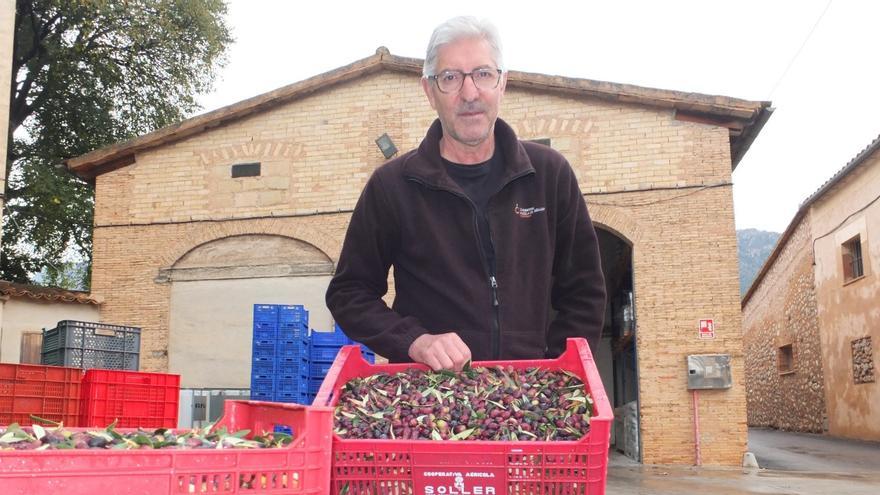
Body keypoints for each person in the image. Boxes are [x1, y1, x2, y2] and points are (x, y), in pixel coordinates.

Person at [326, 16, 606, 371]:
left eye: (483, 74)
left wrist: (556, 371)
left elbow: (584, 292)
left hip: (527, 398)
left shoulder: (549, 174)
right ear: (429, 91)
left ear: (503, 84)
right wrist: (414, 340)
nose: (470, 93)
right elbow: (348, 293)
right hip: (429, 399)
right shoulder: (392, 186)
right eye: (450, 78)